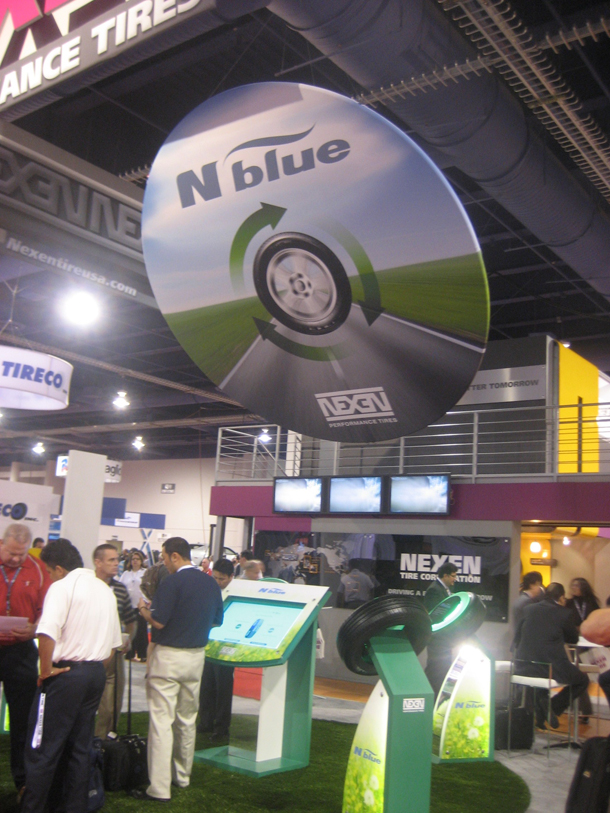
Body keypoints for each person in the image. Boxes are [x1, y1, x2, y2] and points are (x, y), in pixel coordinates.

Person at [21, 538, 122, 813]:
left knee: (44, 747)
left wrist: (45, 670)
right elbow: (113, 646)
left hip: (66, 674)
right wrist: (91, 671)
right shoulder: (104, 590)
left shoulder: (62, 587)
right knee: (80, 748)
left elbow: (46, 632)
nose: (49, 577)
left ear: (58, 568)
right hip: (95, 673)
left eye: (49, 572)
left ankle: (34, 807)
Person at [136, 537, 223, 801]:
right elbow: (217, 620)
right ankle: (182, 777)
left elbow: (158, 622)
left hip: (168, 658)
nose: (163, 562)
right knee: (187, 720)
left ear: (175, 556)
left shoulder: (171, 582)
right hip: (196, 657)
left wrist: (144, 611)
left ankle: (159, 788)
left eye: (164, 557)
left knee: (162, 722)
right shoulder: (210, 582)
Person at [0, 523, 51, 801]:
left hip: (21, 652)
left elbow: (48, 610)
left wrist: (35, 629)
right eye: (11, 553)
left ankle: (23, 783)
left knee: (22, 720)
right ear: (2, 544)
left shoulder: (38, 569)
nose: (16, 559)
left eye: (21, 554)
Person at [514, 582, 589, 728]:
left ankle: (541, 713)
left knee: (541, 680)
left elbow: (518, 636)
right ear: (561, 598)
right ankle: (553, 707)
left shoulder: (528, 609)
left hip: (523, 665)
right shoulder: (564, 613)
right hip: (549, 667)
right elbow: (573, 639)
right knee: (582, 680)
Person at [93, 544, 138, 738]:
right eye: (111, 560)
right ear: (98, 562)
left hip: (114, 655)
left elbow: (130, 620)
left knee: (111, 706)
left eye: (117, 560)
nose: (116, 563)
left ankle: (104, 743)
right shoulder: (87, 587)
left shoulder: (120, 589)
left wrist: (127, 639)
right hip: (87, 653)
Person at [198, 558, 234, 742]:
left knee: (223, 688)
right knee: (206, 685)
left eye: (222, 579)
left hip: (227, 646)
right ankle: (205, 721)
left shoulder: (236, 594)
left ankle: (221, 728)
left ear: (231, 577)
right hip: (209, 643)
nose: (218, 582)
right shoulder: (210, 590)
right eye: (216, 578)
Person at [565, 577, 600, 720]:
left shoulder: (592, 603)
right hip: (574, 644)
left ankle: (583, 709)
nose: (573, 587)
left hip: (590, 644)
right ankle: (584, 710)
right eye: (572, 585)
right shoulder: (569, 603)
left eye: (576, 585)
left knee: (585, 678)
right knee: (579, 677)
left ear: (583, 587)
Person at [424, 562, 458, 697]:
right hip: (437, 638)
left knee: (442, 669)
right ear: (445, 575)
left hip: (445, 639)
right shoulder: (434, 590)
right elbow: (436, 615)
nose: (455, 579)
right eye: (453, 576)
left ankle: (437, 696)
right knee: (435, 669)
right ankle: (428, 696)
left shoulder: (445, 589)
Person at [120, 550, 149, 661]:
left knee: (141, 630)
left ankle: (143, 654)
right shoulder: (126, 574)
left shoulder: (145, 572)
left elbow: (148, 587)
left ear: (141, 561)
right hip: (129, 605)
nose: (135, 561)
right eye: (133, 559)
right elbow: (122, 587)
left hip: (141, 605)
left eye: (137, 559)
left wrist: (146, 601)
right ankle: (129, 654)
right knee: (130, 630)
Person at [511, 571, 545, 641]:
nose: (539, 588)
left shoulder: (520, 599)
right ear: (531, 585)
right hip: (525, 640)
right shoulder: (527, 602)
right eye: (538, 585)